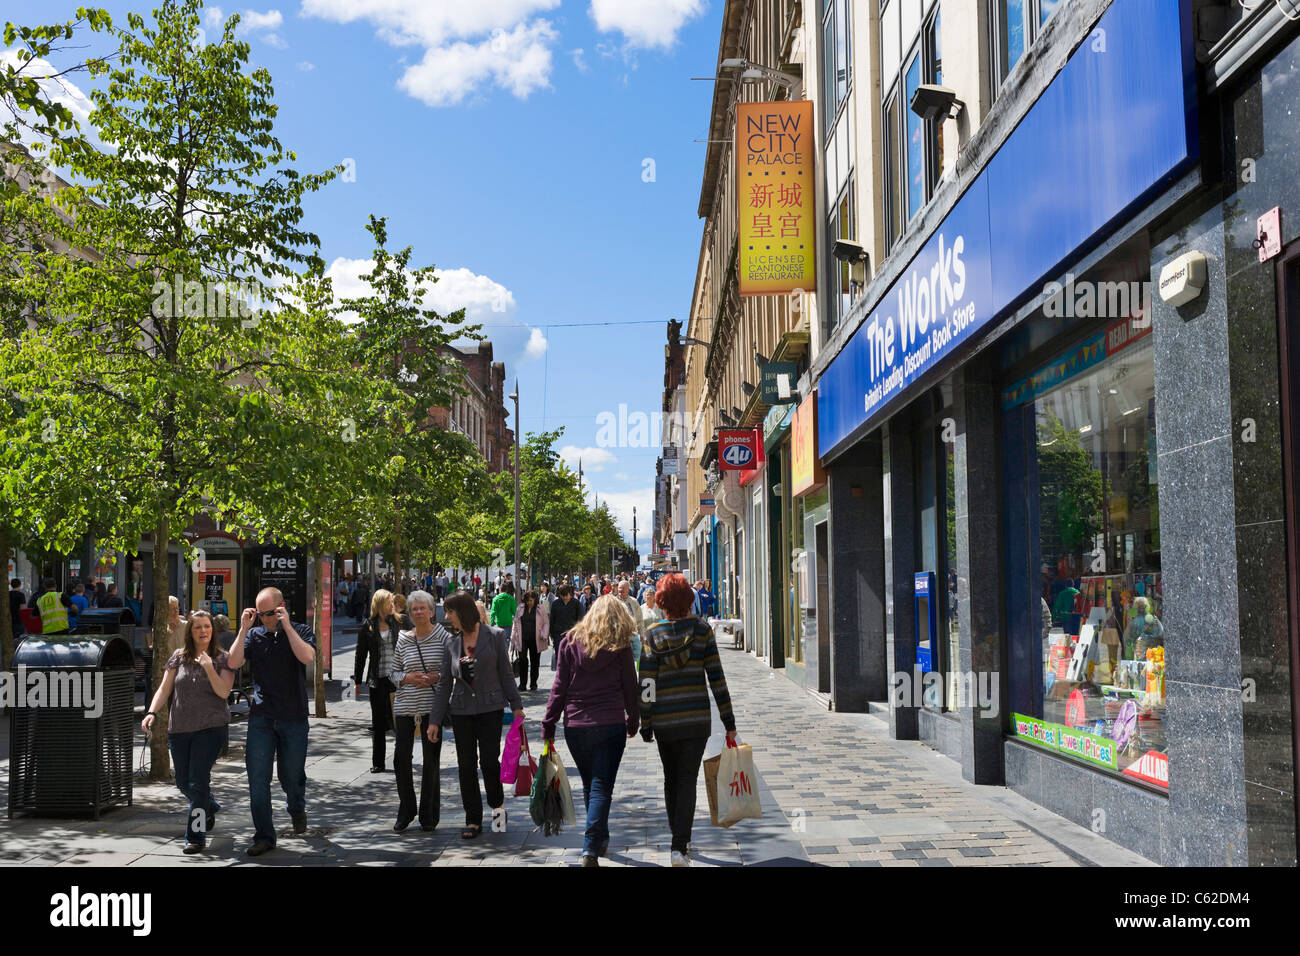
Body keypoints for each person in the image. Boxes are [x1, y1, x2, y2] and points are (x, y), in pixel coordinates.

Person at [640, 573, 737, 867]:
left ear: (662, 601)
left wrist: (646, 720)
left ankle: (678, 841)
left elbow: (647, 682)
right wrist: (729, 722)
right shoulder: (702, 630)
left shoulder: (652, 634)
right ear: (688, 599)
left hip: (665, 720)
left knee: (671, 778)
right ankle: (679, 845)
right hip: (696, 719)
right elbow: (717, 678)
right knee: (687, 779)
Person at [542, 595, 640, 867]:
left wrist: (549, 723)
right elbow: (630, 687)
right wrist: (633, 720)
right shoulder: (620, 647)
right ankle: (590, 848)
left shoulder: (569, 642)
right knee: (601, 786)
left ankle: (599, 838)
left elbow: (559, 687)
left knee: (591, 783)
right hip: (610, 724)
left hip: (576, 725)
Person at [226, 587, 316, 857]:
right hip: (262, 718)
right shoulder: (254, 635)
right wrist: (243, 629)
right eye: (260, 614)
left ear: (281, 608)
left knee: (292, 775)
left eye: (269, 613)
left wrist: (286, 626)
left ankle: (296, 807)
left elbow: (307, 657)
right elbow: (233, 662)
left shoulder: (300, 630)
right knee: (257, 780)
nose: (264, 618)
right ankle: (264, 836)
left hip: (294, 717)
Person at [429, 591, 523, 839]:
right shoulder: (452, 643)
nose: (446, 617)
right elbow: (444, 684)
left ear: (461, 612)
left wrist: (516, 705)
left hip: (491, 709)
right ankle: (472, 819)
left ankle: (497, 808)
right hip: (462, 711)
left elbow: (506, 674)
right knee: (466, 765)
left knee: (490, 762)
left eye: (449, 612)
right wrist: (435, 720)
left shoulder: (495, 636)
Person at [142, 610, 235, 854]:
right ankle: (209, 806)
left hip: (211, 728)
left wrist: (209, 667)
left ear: (213, 630)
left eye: (207, 626)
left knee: (198, 782)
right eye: (197, 627)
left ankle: (195, 836)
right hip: (180, 728)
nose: (203, 631)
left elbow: (224, 692)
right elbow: (164, 688)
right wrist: (151, 712)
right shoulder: (178, 657)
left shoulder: (223, 658)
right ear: (190, 632)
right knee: (184, 783)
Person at [390, 590, 453, 832]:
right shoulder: (403, 639)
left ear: (431, 611)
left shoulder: (443, 637)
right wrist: (408, 678)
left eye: (422, 608)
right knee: (400, 759)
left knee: (431, 761)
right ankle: (406, 810)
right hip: (405, 707)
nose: (418, 612)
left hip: (431, 709)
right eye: (414, 608)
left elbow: (452, 670)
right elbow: (393, 673)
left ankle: (429, 816)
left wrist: (436, 676)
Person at [353, 589, 402, 773]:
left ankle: (402, 757)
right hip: (377, 680)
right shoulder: (368, 626)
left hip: (398, 680)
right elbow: (360, 655)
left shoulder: (399, 622)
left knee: (400, 722)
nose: (392, 605)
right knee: (378, 723)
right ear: (380, 604)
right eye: (389, 602)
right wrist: (357, 681)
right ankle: (378, 762)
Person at [510, 589, 550, 692]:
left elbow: (546, 623)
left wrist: (544, 634)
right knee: (522, 660)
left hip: (536, 639)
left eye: (531, 600)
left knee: (535, 661)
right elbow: (515, 623)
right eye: (527, 600)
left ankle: (533, 683)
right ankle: (522, 684)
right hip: (522, 638)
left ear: (535, 600)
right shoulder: (520, 608)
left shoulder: (540, 608)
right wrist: (513, 637)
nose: (529, 602)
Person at [616, 580, 645, 664]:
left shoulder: (634, 601)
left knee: (636, 661)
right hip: (619, 637)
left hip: (634, 636)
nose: (620, 590)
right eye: (619, 588)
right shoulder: (613, 602)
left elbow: (639, 619)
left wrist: (641, 634)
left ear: (628, 590)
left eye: (623, 588)